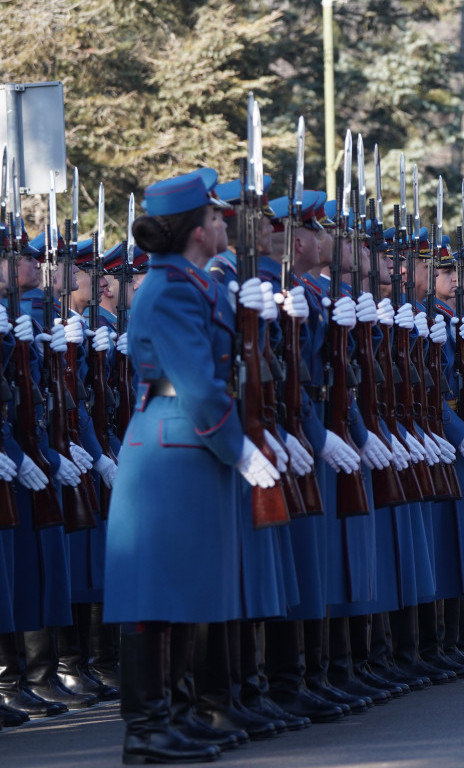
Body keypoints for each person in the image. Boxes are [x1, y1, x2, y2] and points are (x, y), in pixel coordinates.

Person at [104, 169, 283, 764]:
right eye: (214, 217)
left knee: (181, 592)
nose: (222, 223)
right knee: (154, 595)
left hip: (187, 446)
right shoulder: (172, 288)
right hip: (174, 446)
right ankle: (147, 728)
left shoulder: (189, 282)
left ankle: (175, 715)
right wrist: (239, 448)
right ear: (196, 232)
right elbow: (199, 386)